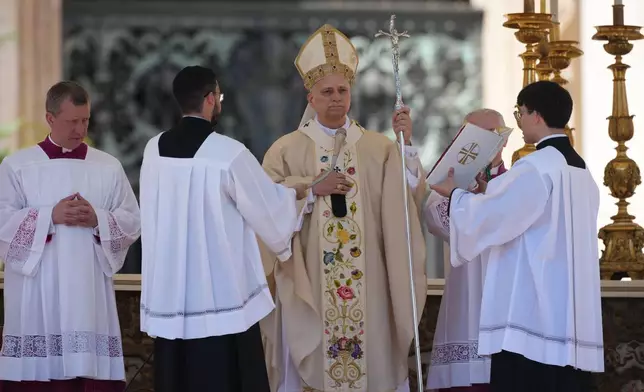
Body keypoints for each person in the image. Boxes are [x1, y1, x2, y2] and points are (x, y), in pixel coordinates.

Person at [259, 24, 427, 392]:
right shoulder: (286, 150)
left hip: (371, 291)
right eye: (327, 92)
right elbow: (262, 209)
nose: (336, 98)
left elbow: (408, 204)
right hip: (310, 287)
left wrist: (406, 147)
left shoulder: (380, 149)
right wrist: (308, 191)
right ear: (311, 96)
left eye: (343, 90)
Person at [138, 65, 309, 392]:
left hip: (170, 295)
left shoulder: (153, 150)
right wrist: (300, 194)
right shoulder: (228, 153)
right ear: (209, 99)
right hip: (219, 298)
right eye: (219, 97)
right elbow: (268, 211)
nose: (220, 102)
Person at [430, 80, 604, 392]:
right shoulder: (581, 171)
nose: (519, 122)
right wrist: (489, 193)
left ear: (536, 115)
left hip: (533, 313)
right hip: (569, 313)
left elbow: (496, 217)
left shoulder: (536, 166)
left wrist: (456, 195)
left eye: (520, 113)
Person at [0, 81, 141, 391]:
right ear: (50, 119)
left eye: (85, 120)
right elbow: (3, 225)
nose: (80, 129)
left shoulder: (108, 167)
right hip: (38, 291)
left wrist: (98, 219)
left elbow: (132, 221)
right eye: (72, 121)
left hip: (87, 293)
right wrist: (49, 216)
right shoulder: (18, 166)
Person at [420, 109, 509, 392]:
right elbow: (438, 221)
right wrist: (459, 194)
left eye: (493, 135)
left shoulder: (517, 180)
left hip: (507, 300)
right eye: (475, 134)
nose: (486, 142)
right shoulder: (449, 180)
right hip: (467, 296)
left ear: (504, 141)